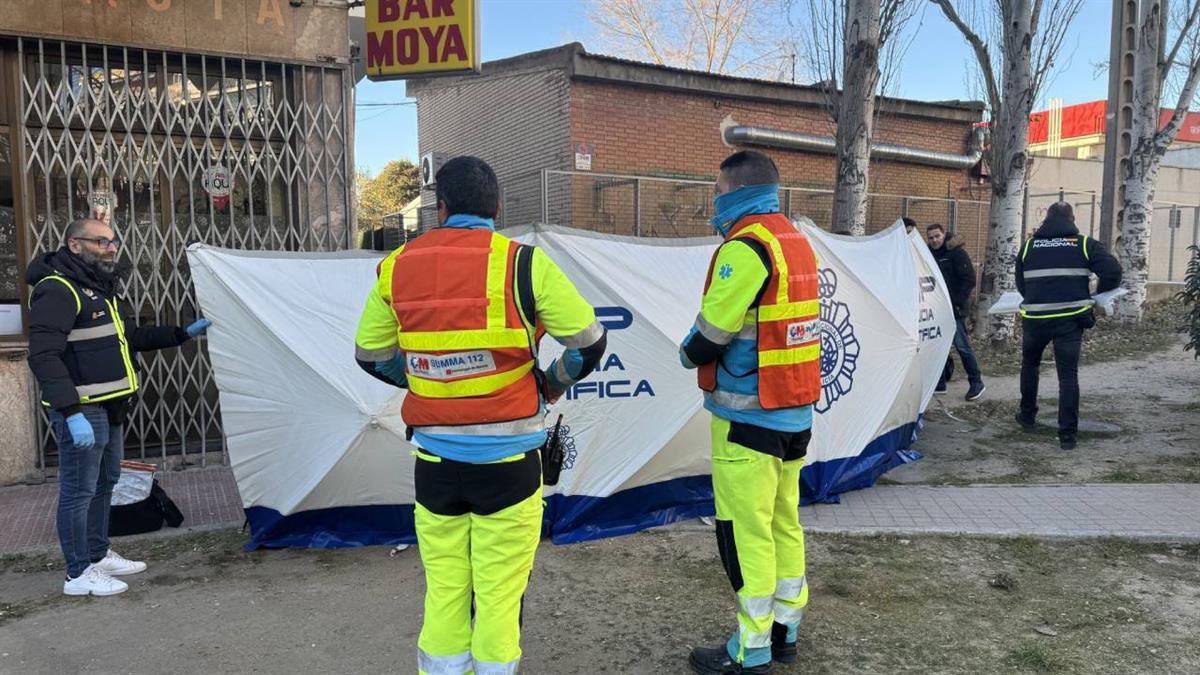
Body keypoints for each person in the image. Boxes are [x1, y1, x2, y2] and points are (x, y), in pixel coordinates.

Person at [353, 156, 606, 675]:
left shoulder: (396, 266)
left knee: (446, 590)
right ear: (498, 207)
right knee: (498, 596)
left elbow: (371, 356)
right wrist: (551, 383)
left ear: (439, 209)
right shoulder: (523, 264)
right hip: (510, 465)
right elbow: (589, 343)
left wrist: (421, 382)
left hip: (436, 464)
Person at [679, 150, 818, 674]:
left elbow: (711, 334)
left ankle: (751, 648)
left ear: (733, 192)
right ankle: (786, 630)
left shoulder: (747, 247)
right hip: (794, 413)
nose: (714, 202)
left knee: (744, 531)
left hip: (748, 419)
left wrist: (687, 353)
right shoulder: (795, 241)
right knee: (785, 523)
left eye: (717, 191)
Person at [27, 218, 211, 597]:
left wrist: (179, 333)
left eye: (113, 242)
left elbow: (129, 338)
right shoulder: (58, 290)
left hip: (111, 406)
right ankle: (78, 574)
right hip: (82, 410)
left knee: (105, 483)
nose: (112, 248)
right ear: (75, 246)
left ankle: (97, 553)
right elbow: (44, 356)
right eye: (102, 242)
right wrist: (71, 412)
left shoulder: (100, 287)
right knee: (79, 491)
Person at [1015, 202, 1121, 450]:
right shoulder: (1084, 244)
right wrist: (1097, 296)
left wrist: (1039, 299)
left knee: (1030, 366)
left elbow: (1022, 285)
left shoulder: (1028, 246)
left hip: (1035, 319)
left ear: (1046, 220)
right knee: (1068, 376)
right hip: (1070, 321)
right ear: (1072, 219)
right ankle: (1067, 436)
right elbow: (1113, 271)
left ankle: (1027, 416)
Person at [926, 223, 985, 401]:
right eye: (930, 237)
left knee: (962, 346)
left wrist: (956, 302)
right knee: (938, 345)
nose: (934, 240)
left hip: (955, 308)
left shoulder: (957, 253)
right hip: (936, 309)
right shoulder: (928, 255)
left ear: (944, 235)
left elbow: (969, 280)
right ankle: (940, 381)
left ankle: (976, 382)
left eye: (937, 236)